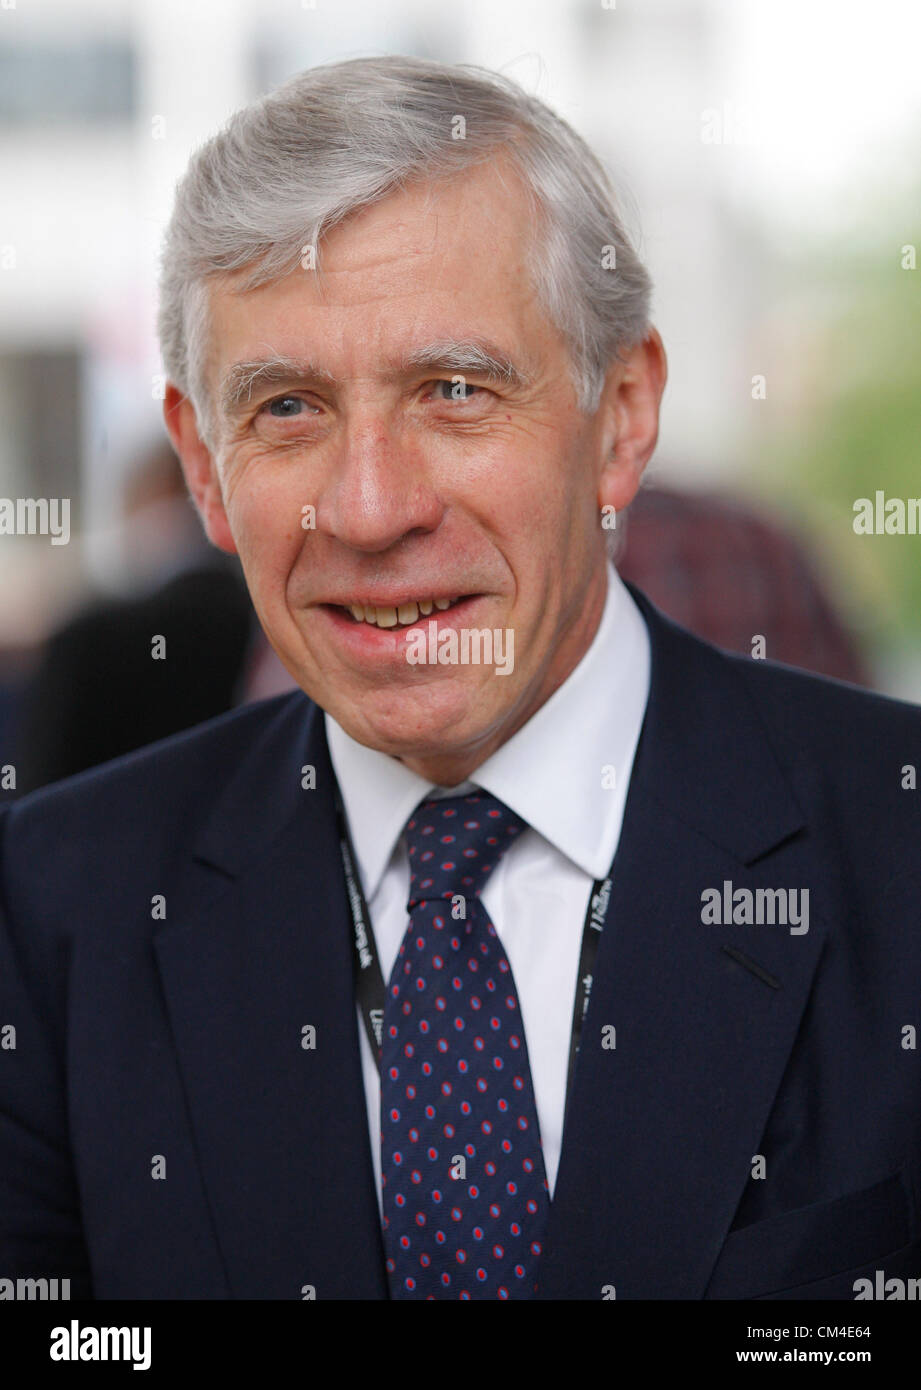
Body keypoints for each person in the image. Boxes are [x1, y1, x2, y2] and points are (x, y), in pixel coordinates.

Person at [0, 55, 918, 1302]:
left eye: (455, 390)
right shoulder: (53, 912)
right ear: (203, 468)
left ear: (624, 413)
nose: (371, 509)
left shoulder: (896, 843)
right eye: (286, 409)